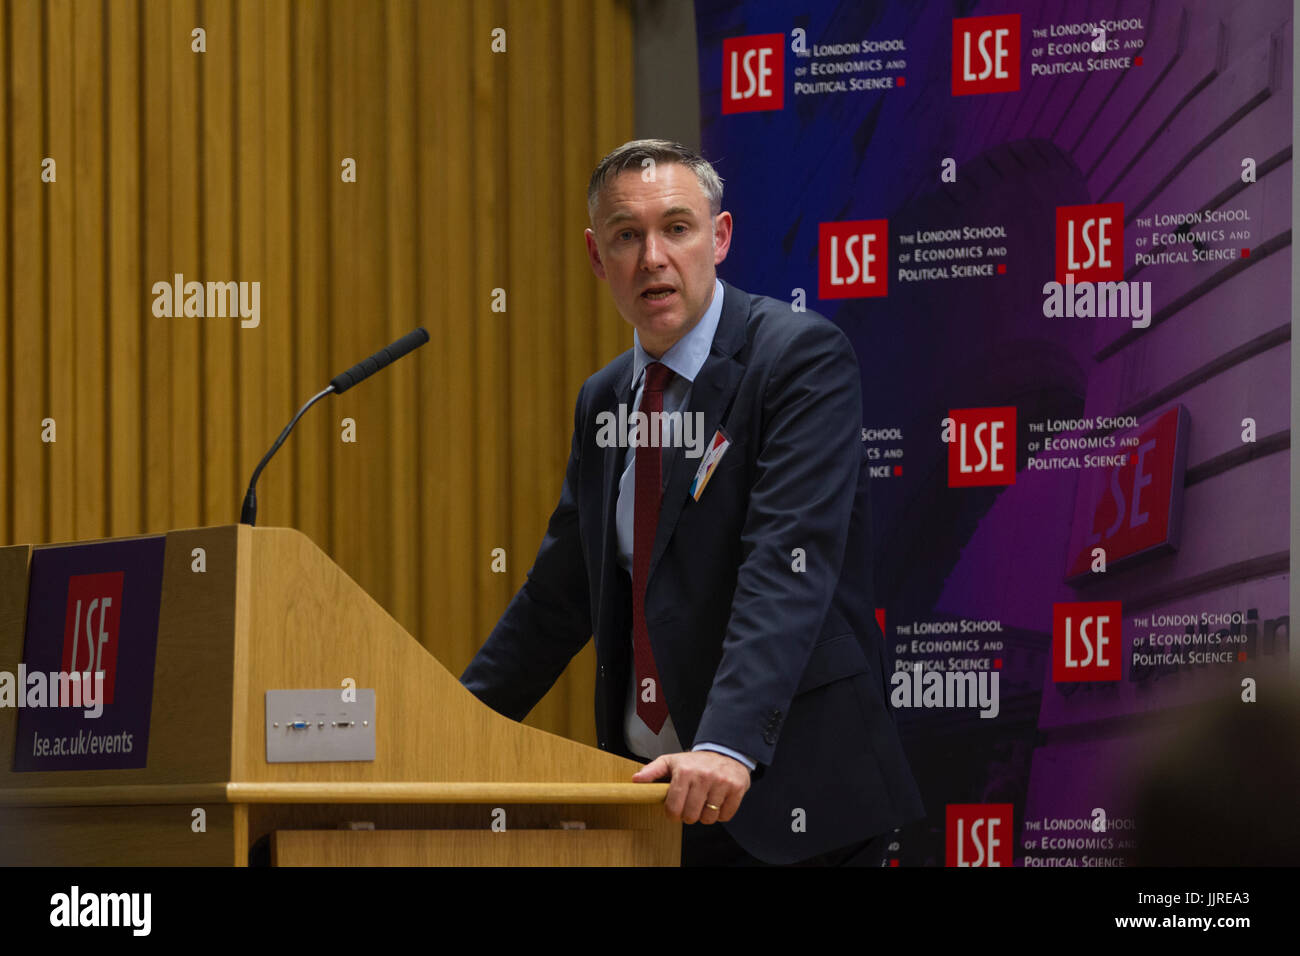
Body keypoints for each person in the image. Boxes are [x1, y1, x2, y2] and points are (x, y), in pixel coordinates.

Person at [461, 139, 924, 865]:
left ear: (721, 236)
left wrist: (729, 741)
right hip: (650, 802)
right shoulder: (606, 397)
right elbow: (559, 596)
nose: (652, 257)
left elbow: (785, 565)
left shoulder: (798, 359)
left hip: (788, 799)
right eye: (626, 236)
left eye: (676, 228)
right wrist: (451, 729)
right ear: (596, 255)